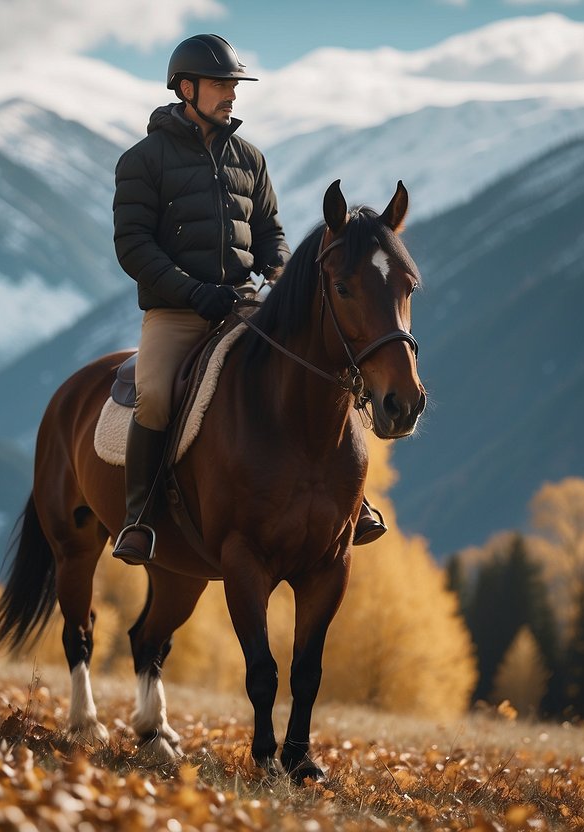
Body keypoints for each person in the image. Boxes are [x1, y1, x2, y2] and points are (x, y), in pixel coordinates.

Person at [110, 34, 387, 565]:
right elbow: (133, 247)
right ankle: (140, 518)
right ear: (185, 88)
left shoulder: (250, 159)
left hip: (244, 304)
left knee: (321, 368)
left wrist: (283, 272)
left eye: (234, 85)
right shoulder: (142, 160)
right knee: (155, 393)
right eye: (221, 85)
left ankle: (351, 498)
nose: (232, 95)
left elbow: (270, 235)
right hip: (177, 312)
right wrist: (194, 292)